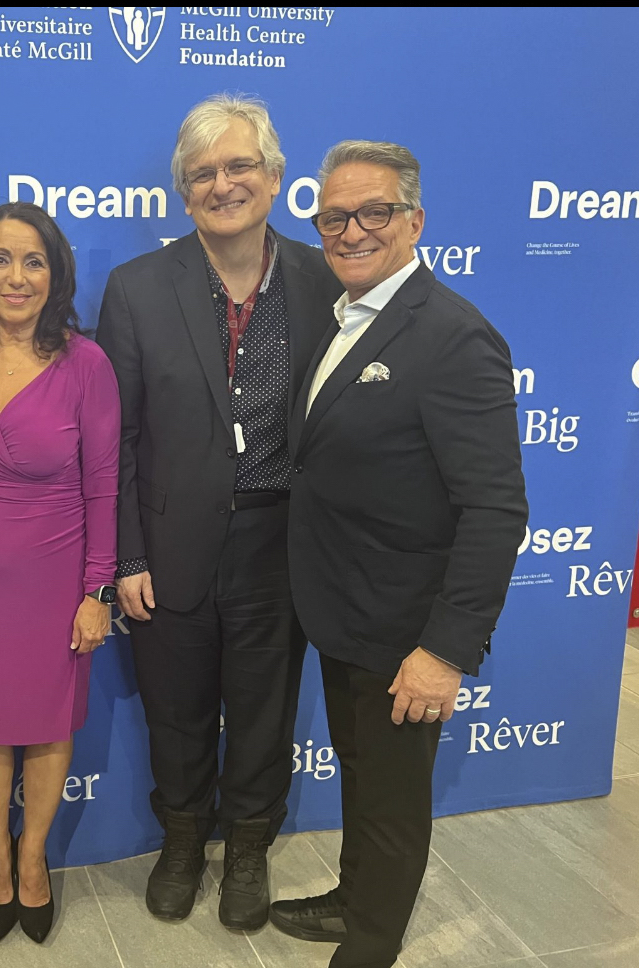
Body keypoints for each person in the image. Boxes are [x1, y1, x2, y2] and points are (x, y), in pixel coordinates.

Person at [271, 141, 527, 968]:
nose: (351, 230)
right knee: (362, 779)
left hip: (404, 633)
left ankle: (370, 946)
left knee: (390, 802)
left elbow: (495, 508)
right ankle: (355, 900)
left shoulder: (452, 337)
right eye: (333, 216)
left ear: (413, 221)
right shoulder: (342, 317)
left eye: (372, 212)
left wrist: (444, 651)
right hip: (341, 612)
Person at [96, 93, 343, 928]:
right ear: (182, 192)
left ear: (275, 180)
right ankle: (180, 838)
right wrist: (126, 557)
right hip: (168, 543)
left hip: (282, 540)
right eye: (201, 172)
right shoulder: (134, 290)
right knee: (176, 705)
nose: (221, 183)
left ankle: (246, 848)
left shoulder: (325, 280)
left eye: (239, 166)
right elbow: (116, 439)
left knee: (265, 709)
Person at [0, 201, 120, 944]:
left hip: (55, 581)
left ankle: (34, 860)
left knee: (45, 731)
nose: (16, 276)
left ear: (55, 275)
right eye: (1, 259)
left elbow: (103, 482)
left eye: (33, 261)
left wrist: (95, 591)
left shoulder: (86, 363)